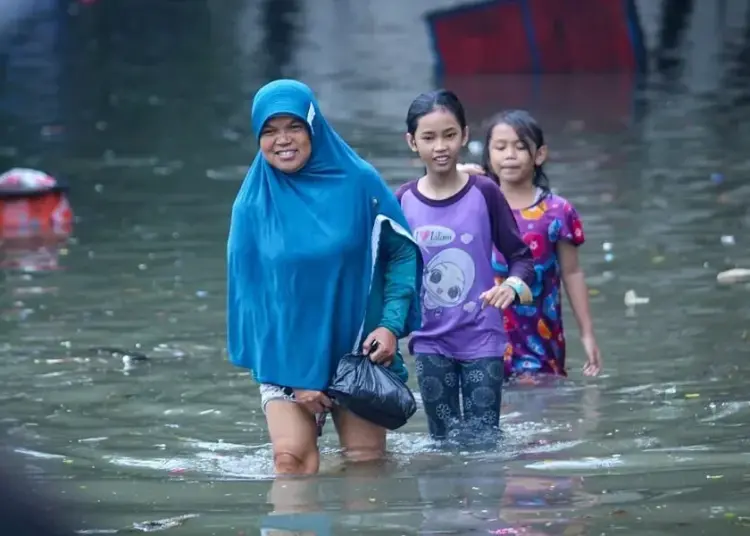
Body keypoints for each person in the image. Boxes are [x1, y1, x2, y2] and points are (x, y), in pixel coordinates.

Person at [227, 79, 423, 475]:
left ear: (313, 126)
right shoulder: (251, 205)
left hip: (358, 351)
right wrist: (298, 378)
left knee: (365, 466)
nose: (282, 140)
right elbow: (251, 301)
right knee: (291, 462)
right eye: (269, 130)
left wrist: (389, 325)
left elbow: (402, 251)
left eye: (293, 126)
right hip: (286, 355)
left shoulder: (358, 182)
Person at [396, 89, 535, 441]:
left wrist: (511, 287)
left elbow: (521, 258)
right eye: (429, 138)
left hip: (483, 338)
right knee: (442, 441)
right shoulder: (402, 201)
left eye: (449, 135)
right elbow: (389, 271)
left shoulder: (485, 192)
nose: (440, 146)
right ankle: (443, 499)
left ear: (465, 135)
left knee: (484, 439)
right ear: (412, 142)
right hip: (429, 341)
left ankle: (486, 497)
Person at [458, 109, 602, 380]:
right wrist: (457, 174)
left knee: (537, 406)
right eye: (500, 147)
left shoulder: (557, 212)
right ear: (488, 155)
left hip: (540, 337)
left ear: (539, 155)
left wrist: (587, 333)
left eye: (520, 147)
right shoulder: (473, 203)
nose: (509, 155)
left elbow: (572, 273)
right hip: (480, 335)